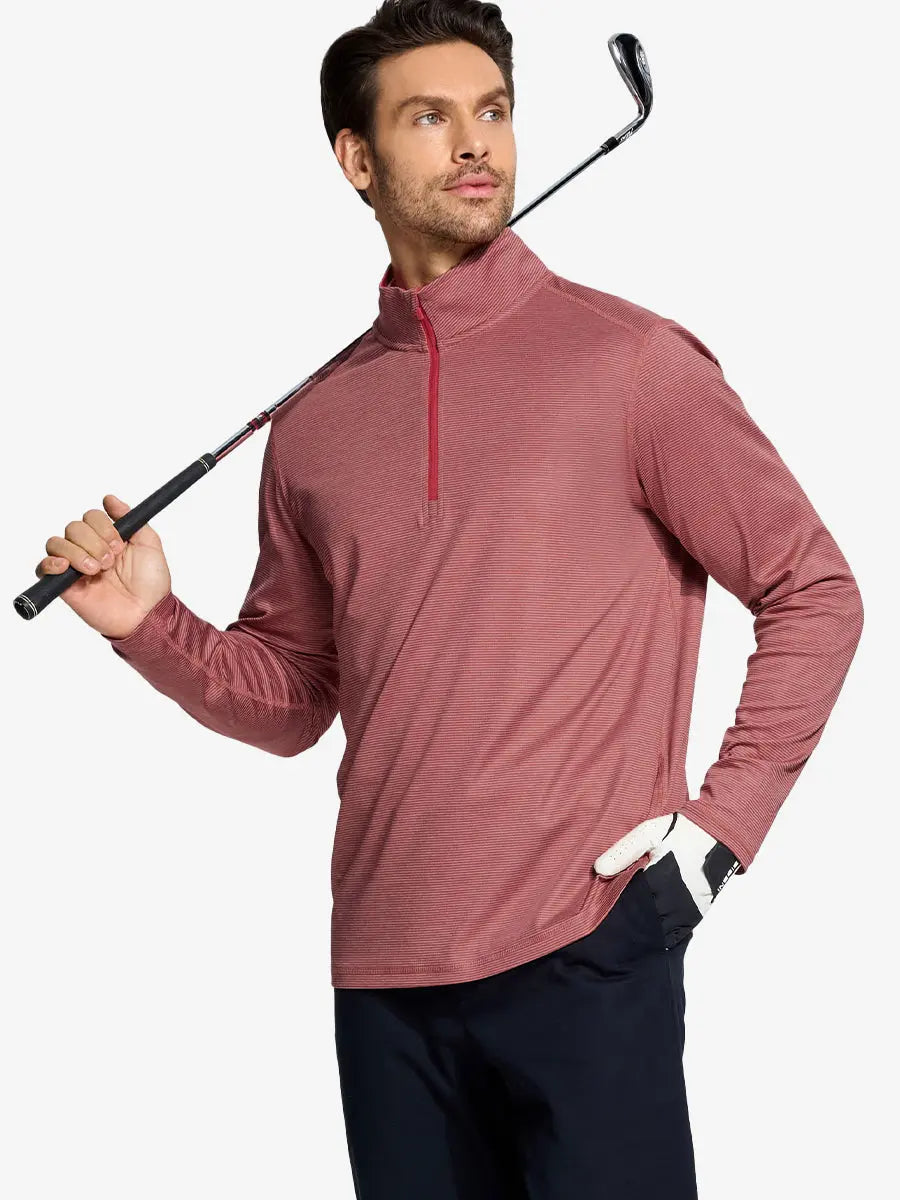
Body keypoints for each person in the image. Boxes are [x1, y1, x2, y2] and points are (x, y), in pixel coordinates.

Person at [34, 2, 864, 1196]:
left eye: (494, 111)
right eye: (430, 117)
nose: (477, 143)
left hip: (585, 946)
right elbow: (296, 701)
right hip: (384, 977)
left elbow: (813, 590)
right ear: (357, 159)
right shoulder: (315, 422)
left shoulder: (629, 362)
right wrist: (147, 626)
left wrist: (714, 839)